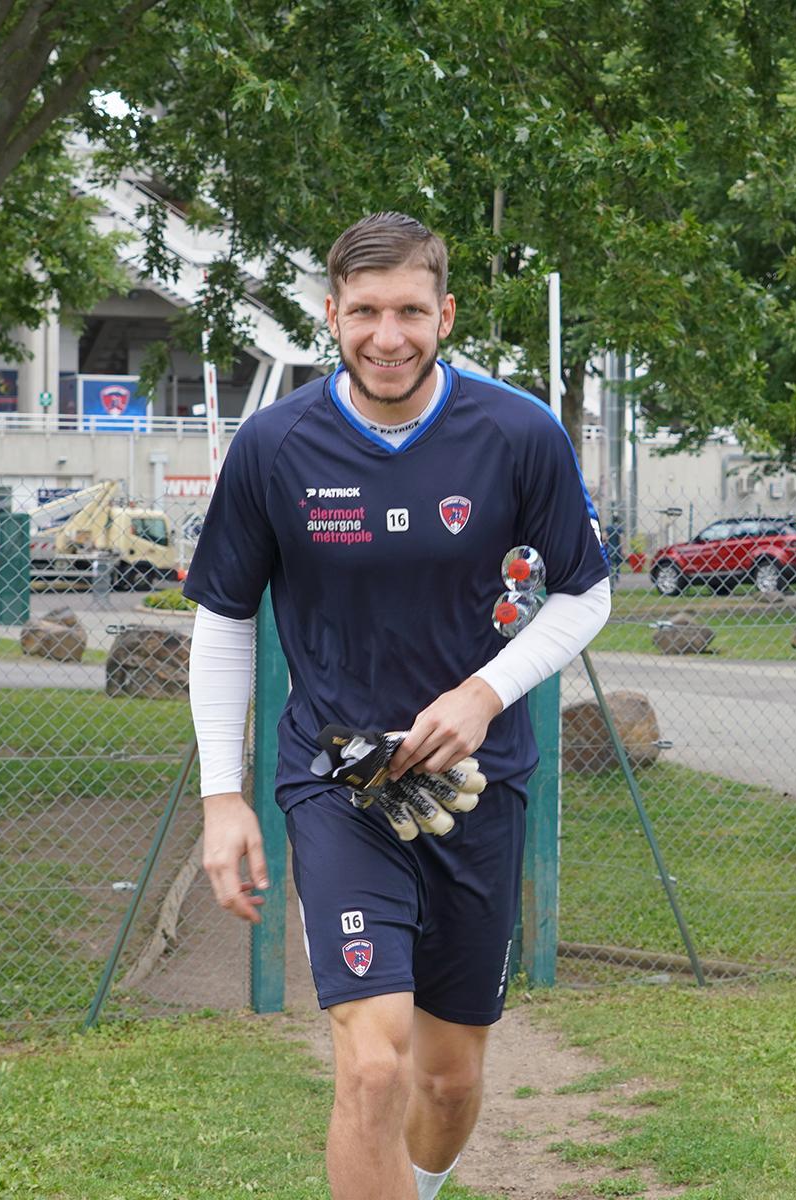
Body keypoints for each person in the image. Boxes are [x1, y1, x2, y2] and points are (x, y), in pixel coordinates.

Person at [185, 212, 610, 1200]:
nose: (388, 335)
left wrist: (485, 690)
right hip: (339, 777)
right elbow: (223, 620)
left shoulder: (516, 432)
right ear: (330, 315)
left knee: (447, 1080)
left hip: (476, 784)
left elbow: (584, 593)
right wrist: (222, 798)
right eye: (364, 311)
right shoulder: (275, 445)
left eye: (410, 311)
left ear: (445, 313)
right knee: (372, 1067)